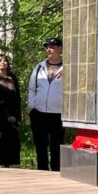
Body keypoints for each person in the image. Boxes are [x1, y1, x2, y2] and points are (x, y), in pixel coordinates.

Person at [27, 37, 64, 171]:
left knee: (56, 146)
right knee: (40, 145)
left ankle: (56, 172)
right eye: (47, 47)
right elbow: (32, 88)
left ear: (60, 49)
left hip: (58, 113)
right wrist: (32, 107)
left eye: (52, 47)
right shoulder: (39, 67)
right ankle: (42, 172)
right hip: (39, 113)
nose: (49, 49)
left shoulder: (68, 67)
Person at [0, 52, 21, 167]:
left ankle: (9, 165)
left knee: (13, 141)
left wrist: (18, 116)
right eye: (0, 61)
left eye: (5, 61)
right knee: (0, 141)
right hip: (0, 115)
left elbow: (18, 98)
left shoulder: (12, 78)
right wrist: (7, 114)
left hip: (13, 114)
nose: (3, 63)